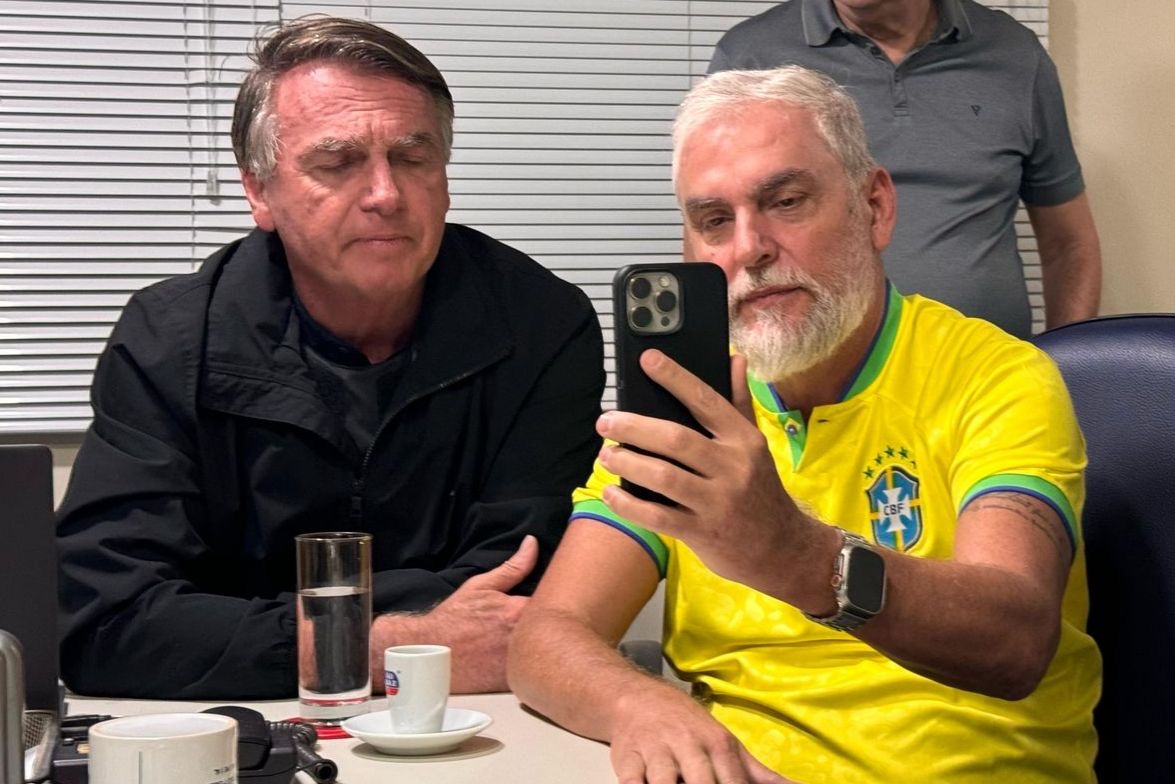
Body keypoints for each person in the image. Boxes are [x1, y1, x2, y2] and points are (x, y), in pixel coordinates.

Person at [508, 66, 1100, 784]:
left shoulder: (995, 377)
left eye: (785, 202)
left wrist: (791, 553)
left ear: (874, 207)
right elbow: (545, 637)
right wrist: (641, 704)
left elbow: (1014, 641)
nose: (749, 247)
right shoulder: (686, 412)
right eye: (714, 221)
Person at [56, 16, 604, 700]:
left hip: (476, 713)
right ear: (259, 191)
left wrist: (234, 625)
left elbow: (523, 590)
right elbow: (105, 622)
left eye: (412, 157)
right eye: (337, 163)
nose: (385, 195)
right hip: (244, 718)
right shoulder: (169, 339)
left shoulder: (539, 324)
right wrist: (374, 646)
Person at [705, 0, 1101, 339]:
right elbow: (713, 242)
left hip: (990, 383)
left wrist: (1069, 368)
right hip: (816, 388)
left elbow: (1069, 245)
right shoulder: (750, 58)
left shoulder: (1014, 55)